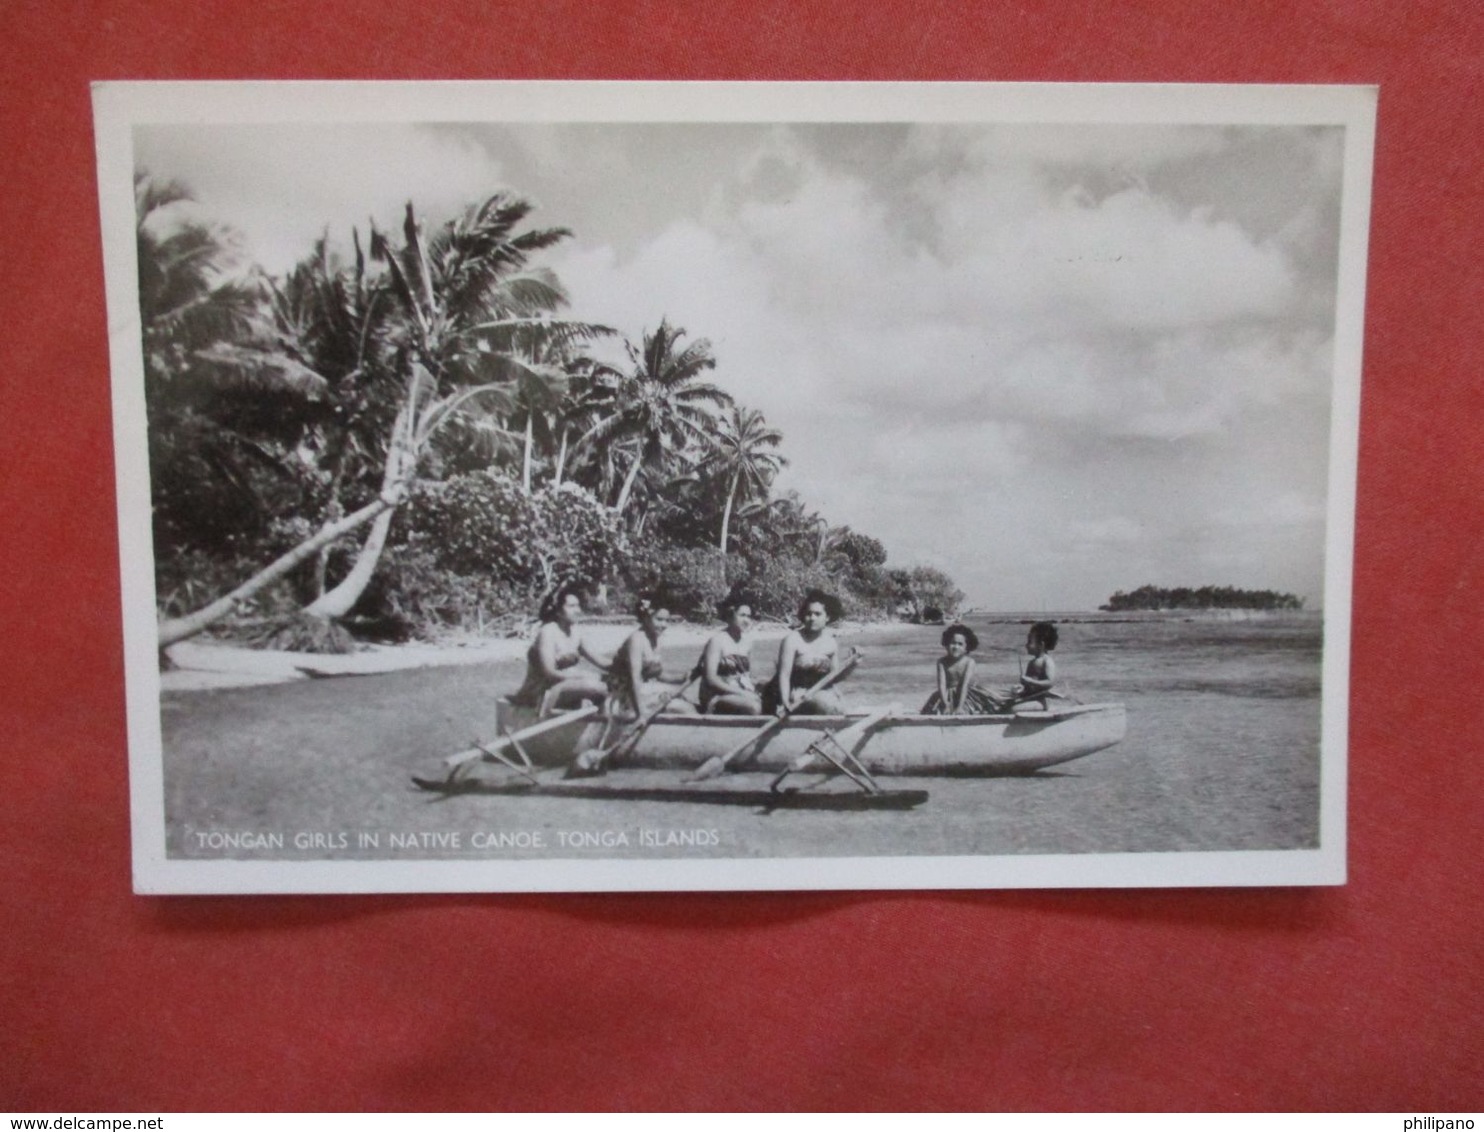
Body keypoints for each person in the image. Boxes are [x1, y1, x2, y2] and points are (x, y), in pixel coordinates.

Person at [508, 584, 610, 717]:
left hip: (561, 687)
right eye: (571, 606)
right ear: (558, 611)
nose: (577, 610)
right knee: (594, 685)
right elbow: (549, 672)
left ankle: (599, 721)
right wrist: (583, 676)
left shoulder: (576, 632)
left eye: (578, 606)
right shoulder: (548, 632)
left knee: (607, 687)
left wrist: (625, 668)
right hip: (540, 691)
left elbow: (600, 660)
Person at [605, 595, 699, 720]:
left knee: (684, 699)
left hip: (641, 689)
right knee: (683, 707)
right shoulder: (637, 639)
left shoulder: (655, 638)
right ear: (646, 618)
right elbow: (635, 678)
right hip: (625, 694)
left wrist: (680, 678)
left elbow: (655, 673)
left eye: (667, 620)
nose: (664, 625)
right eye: (659, 619)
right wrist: (641, 713)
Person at [762, 589, 848, 716]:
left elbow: (833, 677)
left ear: (827, 617)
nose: (812, 618)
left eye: (818, 614)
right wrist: (785, 702)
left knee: (840, 708)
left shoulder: (831, 643)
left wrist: (852, 665)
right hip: (794, 691)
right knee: (824, 704)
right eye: (809, 614)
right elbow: (784, 676)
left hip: (818, 691)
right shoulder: (792, 640)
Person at [698, 594, 763, 715]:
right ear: (731, 615)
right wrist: (742, 693)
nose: (746, 620)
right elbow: (711, 679)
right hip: (717, 696)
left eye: (749, 616)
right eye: (742, 615)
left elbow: (748, 675)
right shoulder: (717, 641)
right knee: (754, 707)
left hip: (739, 691)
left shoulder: (748, 642)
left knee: (770, 700)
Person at [920, 623, 998, 715]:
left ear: (966, 648)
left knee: (978, 710)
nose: (956, 647)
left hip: (966, 695)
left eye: (960, 644)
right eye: (953, 643)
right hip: (945, 695)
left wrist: (960, 707)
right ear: (946, 644)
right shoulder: (942, 662)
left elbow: (965, 685)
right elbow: (942, 685)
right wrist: (946, 705)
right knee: (936, 712)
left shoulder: (969, 662)